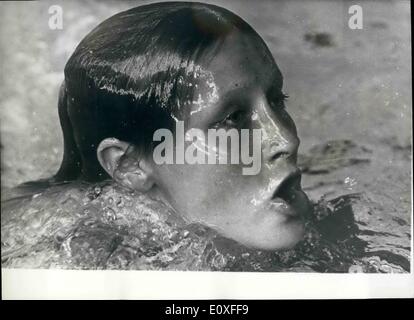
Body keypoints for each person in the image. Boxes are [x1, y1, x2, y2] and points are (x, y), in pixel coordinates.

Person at [2, 2, 313, 269]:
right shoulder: (68, 262)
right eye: (232, 119)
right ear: (130, 165)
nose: (286, 140)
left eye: (277, 99)